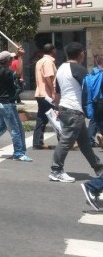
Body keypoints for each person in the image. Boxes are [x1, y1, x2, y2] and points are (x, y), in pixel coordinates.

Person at [49, 42, 103, 183]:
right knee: (66, 141)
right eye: (83, 53)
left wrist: (57, 108)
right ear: (80, 54)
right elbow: (89, 91)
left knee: (84, 143)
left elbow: (57, 91)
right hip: (74, 110)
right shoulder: (79, 70)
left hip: (65, 108)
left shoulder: (61, 68)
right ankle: (56, 170)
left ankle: (98, 167)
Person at [33, 44, 57, 149]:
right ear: (52, 51)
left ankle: (37, 141)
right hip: (46, 94)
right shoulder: (48, 61)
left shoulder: (40, 61)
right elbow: (48, 77)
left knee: (42, 118)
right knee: (55, 117)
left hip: (40, 93)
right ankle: (65, 141)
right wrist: (53, 92)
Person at [83, 54, 103, 148]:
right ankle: (101, 134)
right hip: (101, 99)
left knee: (94, 119)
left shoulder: (90, 75)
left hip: (93, 100)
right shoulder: (102, 73)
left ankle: (90, 139)